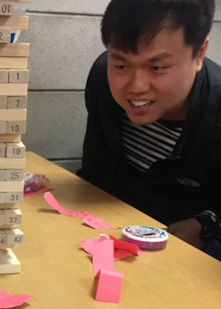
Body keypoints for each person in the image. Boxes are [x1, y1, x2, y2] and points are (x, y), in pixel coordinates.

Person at [77, 0, 221, 261]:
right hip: (108, 237)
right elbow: (94, 172)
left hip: (189, 255)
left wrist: (205, 224)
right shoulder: (102, 78)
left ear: (199, 53)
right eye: (121, 65)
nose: (136, 87)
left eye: (157, 68)